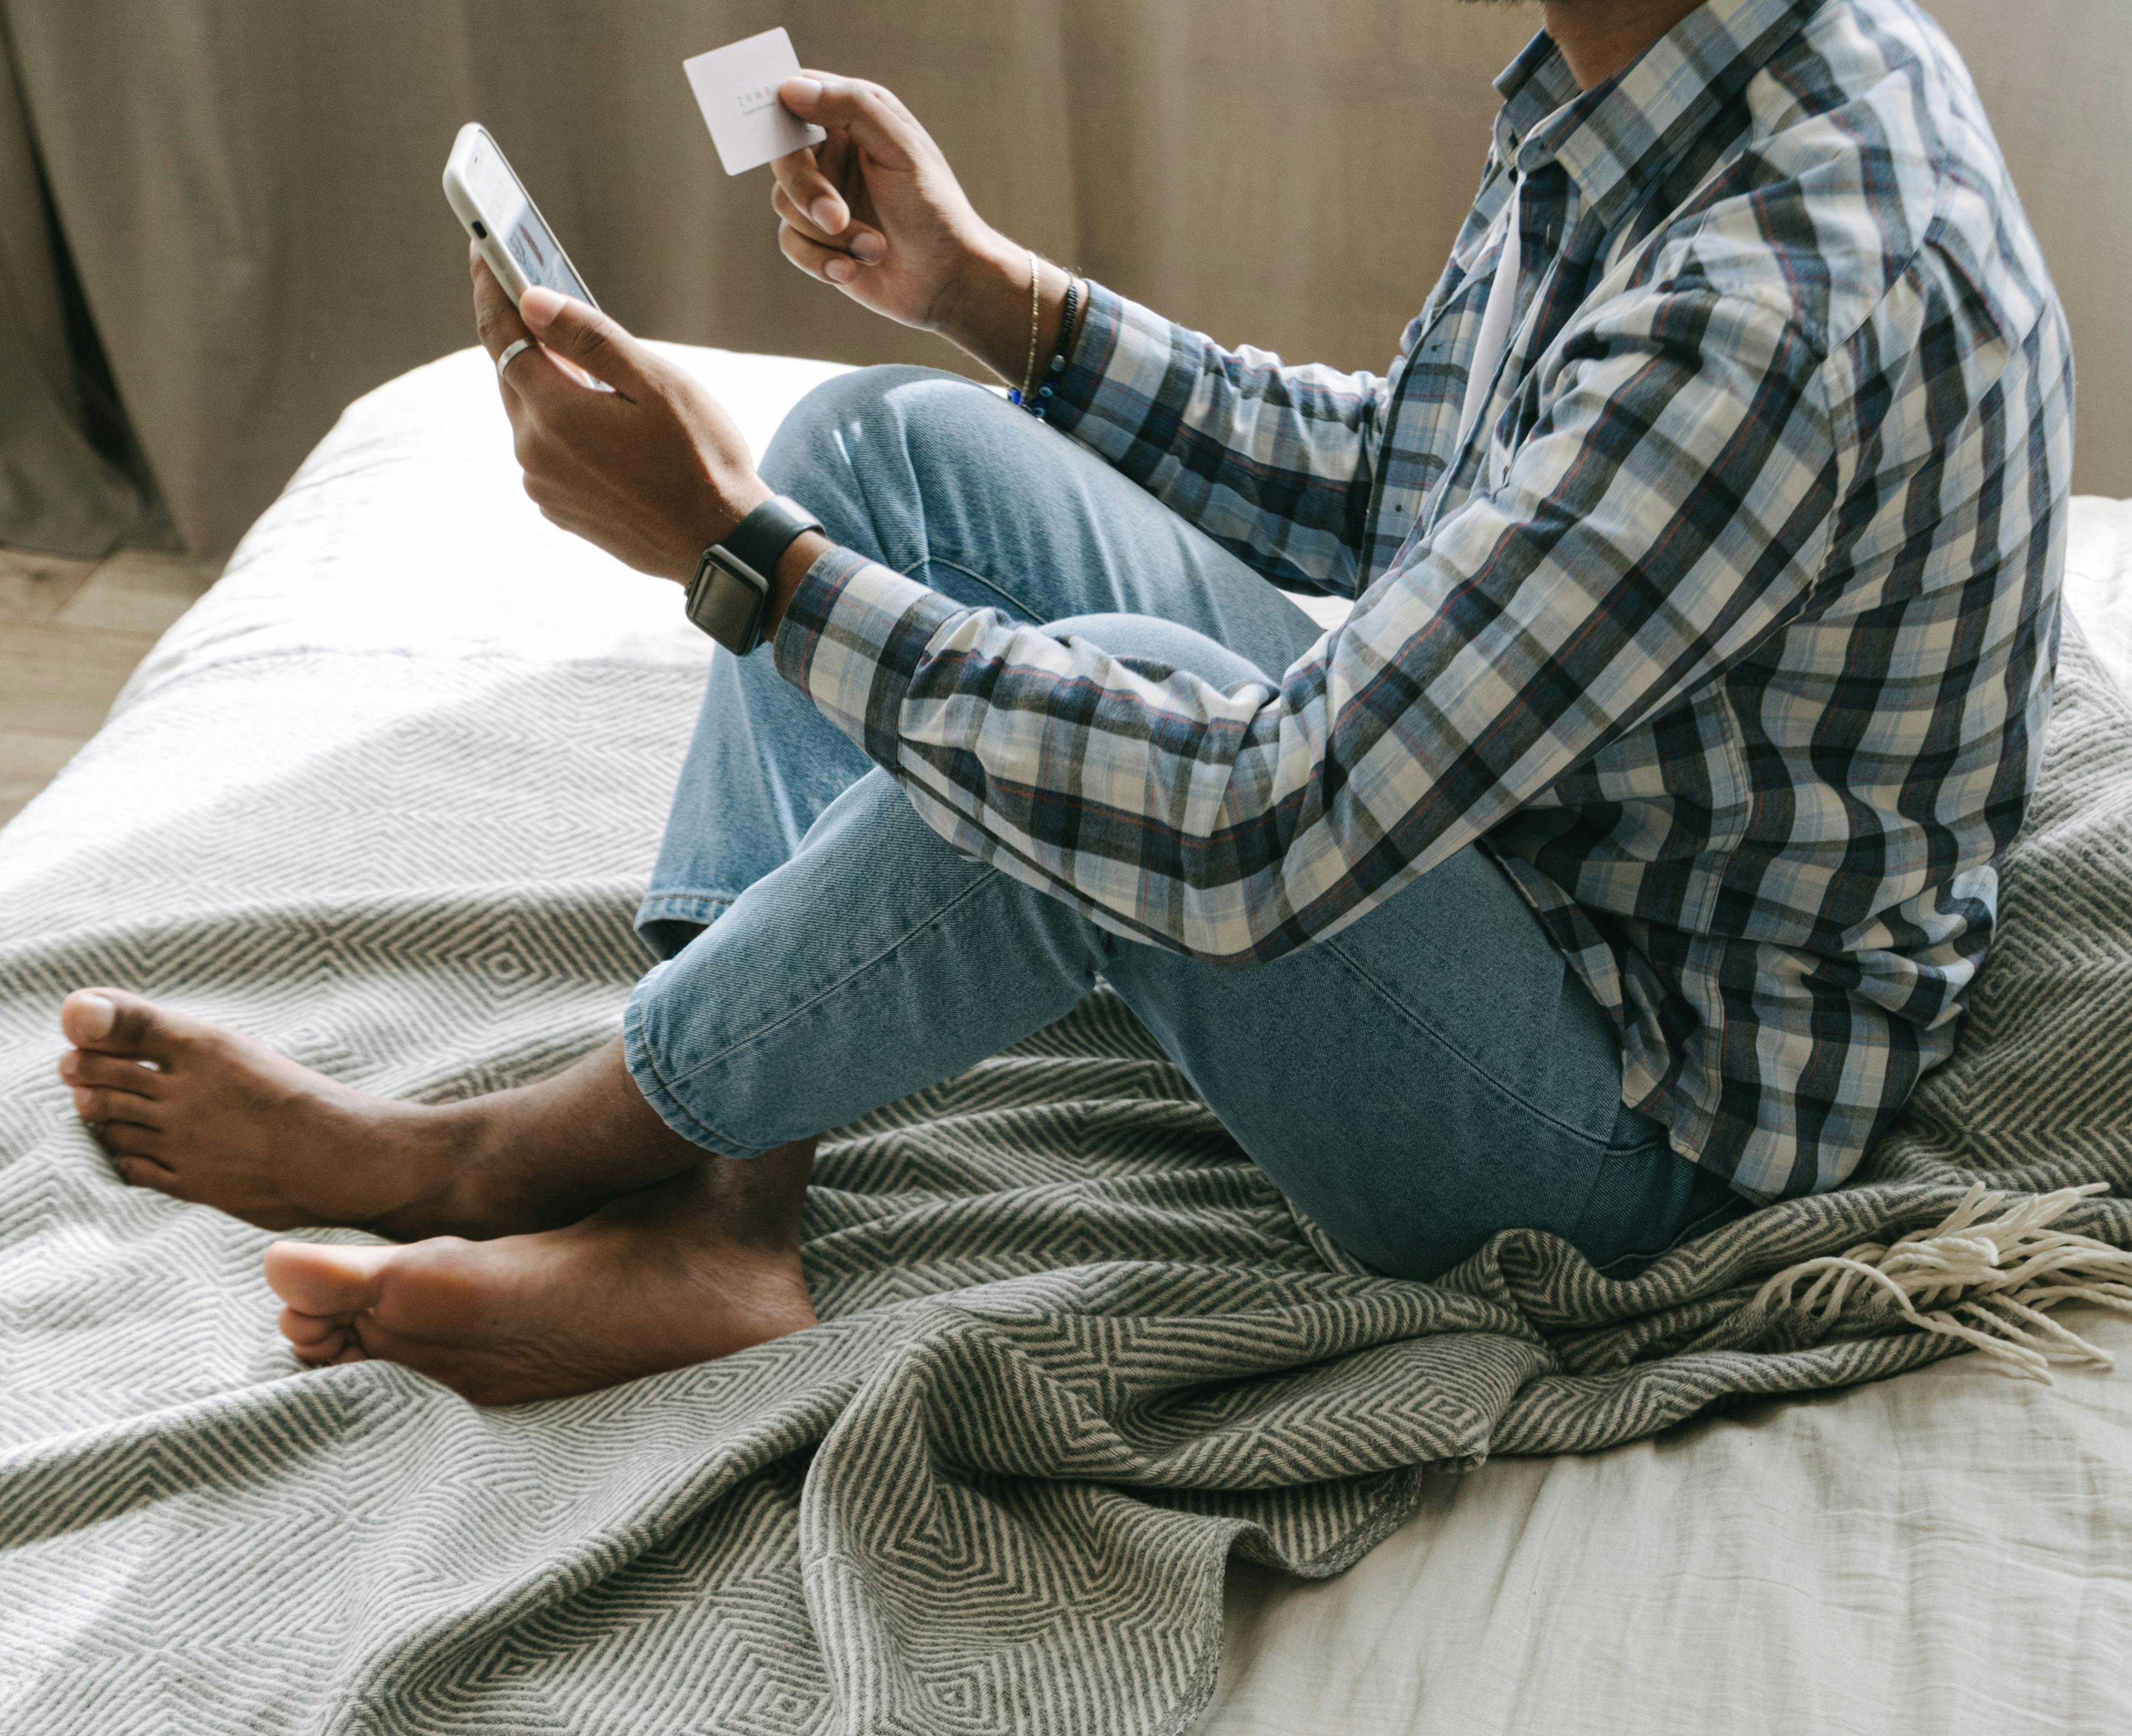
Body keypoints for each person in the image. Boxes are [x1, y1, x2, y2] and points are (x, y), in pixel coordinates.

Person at [55, 0, 2072, 1405]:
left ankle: (505, 1159)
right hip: (1521, 831)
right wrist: (982, 294)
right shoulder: (1651, 85)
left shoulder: (1784, 295)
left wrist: (739, 561)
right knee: (879, 452)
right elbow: (1421, 495)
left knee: (1087, 708)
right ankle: (714, 1212)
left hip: (1637, 1122)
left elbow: (1253, 824)